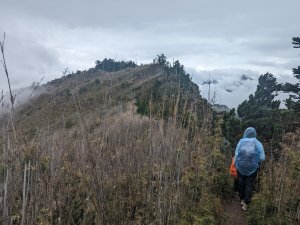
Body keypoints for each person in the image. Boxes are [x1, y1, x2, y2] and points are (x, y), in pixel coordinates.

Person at [234, 127, 265, 211]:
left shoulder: (241, 141)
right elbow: (262, 158)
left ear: (245, 133)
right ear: (255, 133)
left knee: (240, 182)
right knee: (249, 184)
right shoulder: (258, 143)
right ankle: (246, 203)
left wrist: (236, 163)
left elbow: (236, 154)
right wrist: (255, 160)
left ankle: (241, 198)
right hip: (252, 168)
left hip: (240, 166)